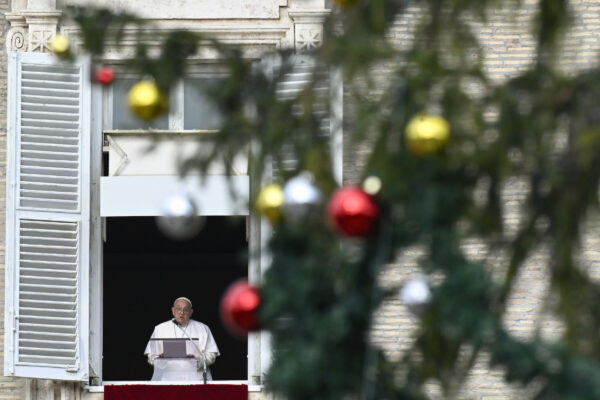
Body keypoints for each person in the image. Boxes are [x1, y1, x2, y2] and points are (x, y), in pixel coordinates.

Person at [144, 297, 220, 381]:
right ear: (173, 311)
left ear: (191, 312)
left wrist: (197, 359)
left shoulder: (203, 328)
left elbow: (211, 355)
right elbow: (151, 356)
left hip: (196, 379)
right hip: (167, 379)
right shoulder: (160, 328)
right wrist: (160, 360)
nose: (182, 312)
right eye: (178, 309)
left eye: (186, 310)